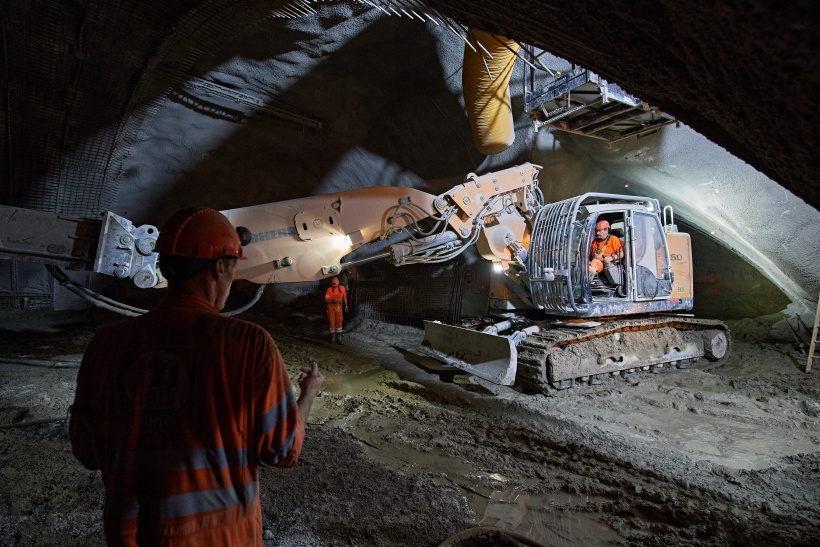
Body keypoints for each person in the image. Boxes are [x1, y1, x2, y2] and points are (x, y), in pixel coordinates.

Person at [69, 207, 324, 546]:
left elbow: (87, 452)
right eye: (233, 272)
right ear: (220, 267)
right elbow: (282, 449)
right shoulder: (248, 344)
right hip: (221, 538)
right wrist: (306, 395)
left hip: (131, 535)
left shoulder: (106, 345)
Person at [324, 276, 348, 344]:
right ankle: (332, 338)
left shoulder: (342, 288)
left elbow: (344, 297)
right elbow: (325, 300)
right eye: (333, 286)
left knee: (339, 322)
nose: (334, 287)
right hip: (331, 307)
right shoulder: (329, 289)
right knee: (332, 322)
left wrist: (346, 305)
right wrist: (333, 301)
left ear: (338, 284)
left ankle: (339, 338)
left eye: (335, 286)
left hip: (339, 307)